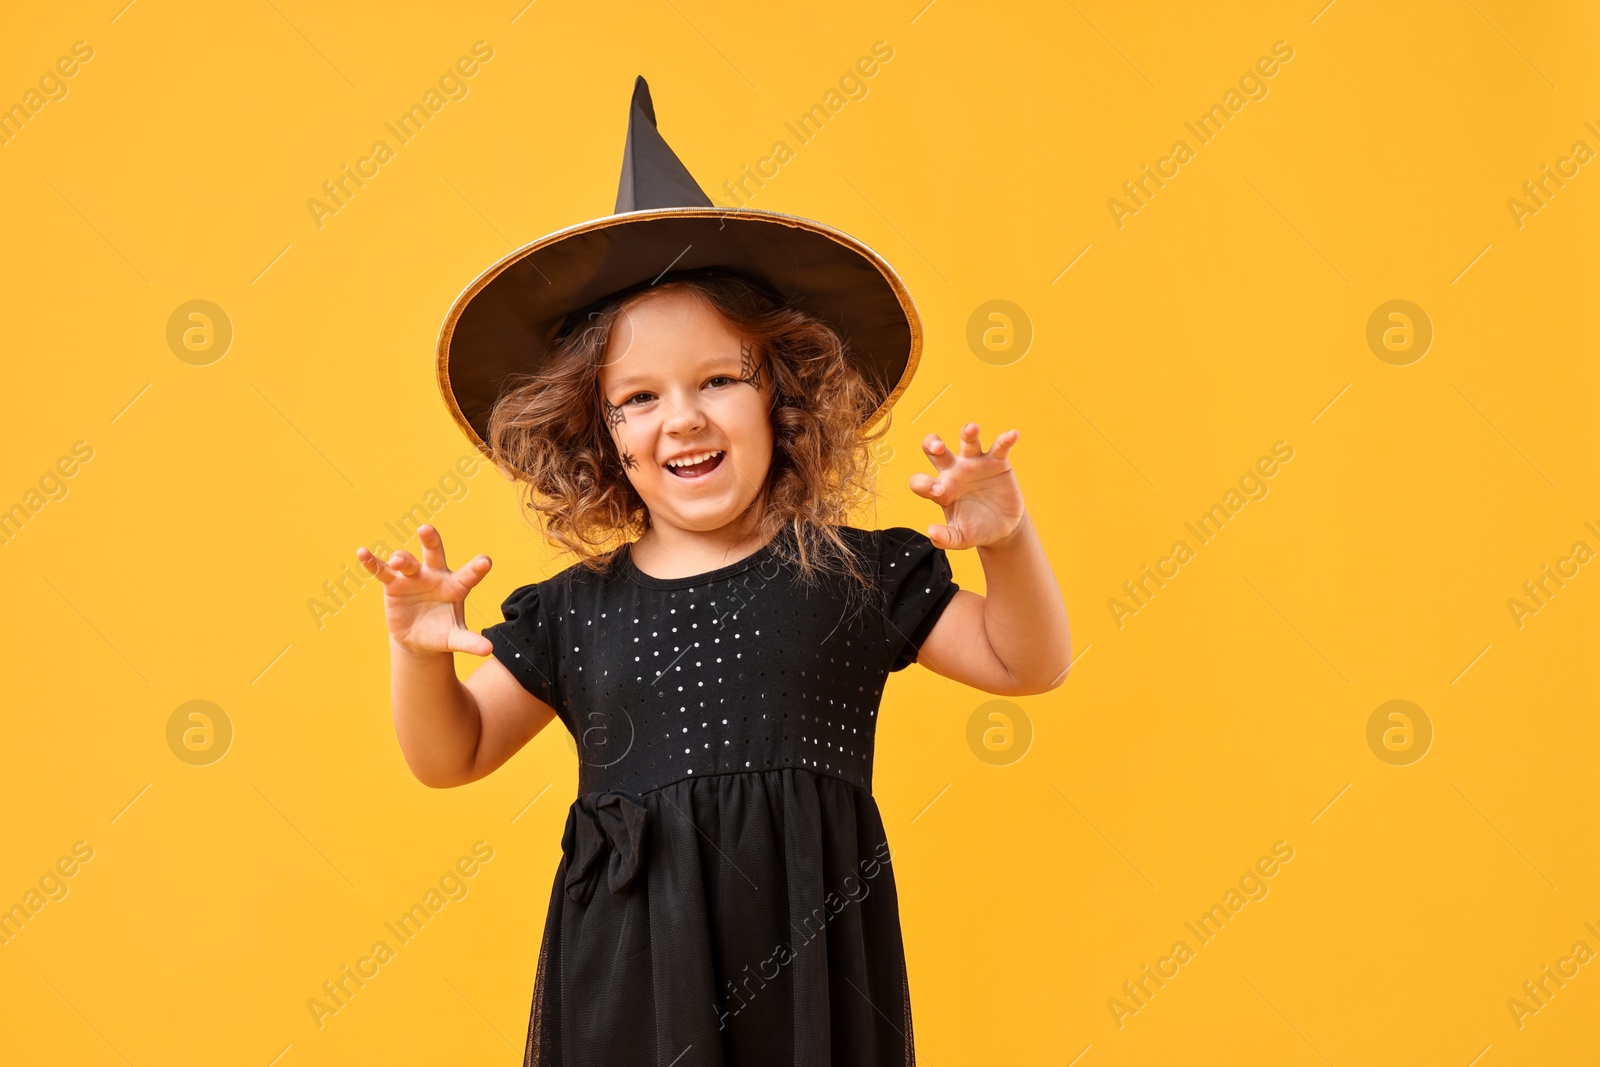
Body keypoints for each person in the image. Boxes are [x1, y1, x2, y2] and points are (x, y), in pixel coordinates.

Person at [356, 78, 1070, 1066]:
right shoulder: (574, 612)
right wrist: (416, 652)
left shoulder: (847, 573)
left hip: (814, 979)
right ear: (599, 435)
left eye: (718, 380)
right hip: (630, 996)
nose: (681, 418)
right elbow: (452, 754)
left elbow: (1025, 660)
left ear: (782, 395)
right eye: (638, 397)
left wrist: (1005, 537)